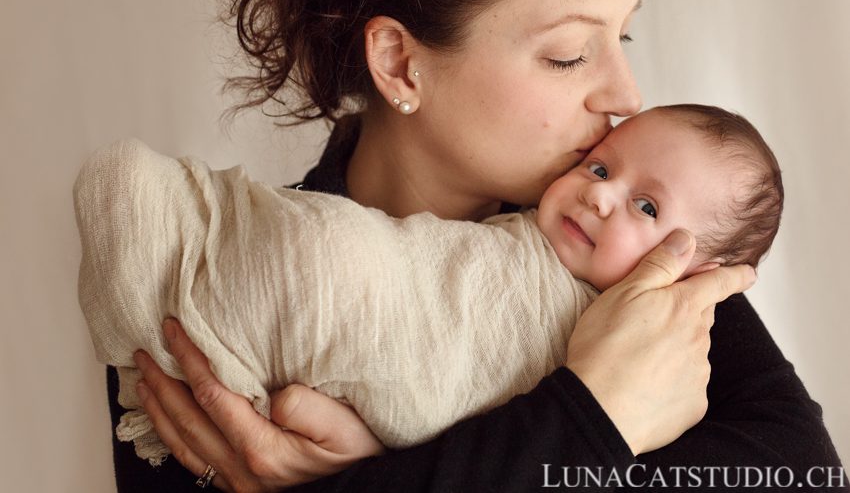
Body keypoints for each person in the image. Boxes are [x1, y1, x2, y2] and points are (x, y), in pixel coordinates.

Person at [111, 0, 846, 491]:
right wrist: (599, 416)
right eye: (569, 54)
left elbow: (803, 474)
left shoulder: (625, 247)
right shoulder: (223, 273)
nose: (627, 95)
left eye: (621, 37)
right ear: (400, 63)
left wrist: (375, 474)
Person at [77, 104, 784, 466]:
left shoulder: (677, 343)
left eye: (648, 207)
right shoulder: (523, 231)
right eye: (601, 168)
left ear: (696, 273)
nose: (600, 193)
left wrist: (366, 475)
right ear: (399, 63)